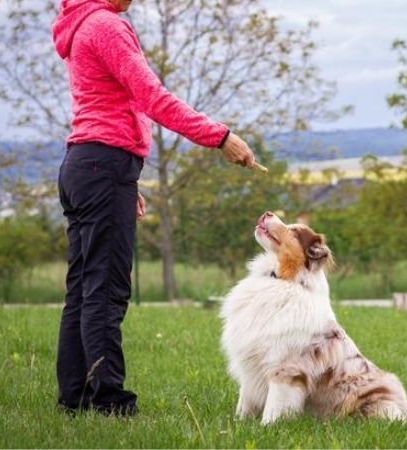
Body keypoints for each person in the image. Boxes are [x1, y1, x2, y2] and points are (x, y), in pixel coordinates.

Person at [51, 0, 256, 416]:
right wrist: (219, 137)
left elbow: (108, 104)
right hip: (101, 166)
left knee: (84, 290)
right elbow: (152, 97)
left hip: (87, 166)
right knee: (105, 292)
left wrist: (124, 180)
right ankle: (109, 402)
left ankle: (74, 398)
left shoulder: (79, 24)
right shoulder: (106, 25)